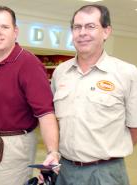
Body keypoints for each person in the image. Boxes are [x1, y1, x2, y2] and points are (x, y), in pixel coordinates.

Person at [0, 6, 60, 185]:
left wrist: (52, 152)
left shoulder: (30, 64)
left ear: (15, 32)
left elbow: (45, 114)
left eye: (5, 27)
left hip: (14, 147)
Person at [51, 4, 137, 185]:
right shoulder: (60, 72)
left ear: (106, 32)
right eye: (77, 27)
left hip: (106, 173)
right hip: (65, 171)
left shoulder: (127, 73)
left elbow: (134, 128)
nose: (82, 32)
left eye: (91, 26)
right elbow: (53, 122)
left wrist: (105, 153)